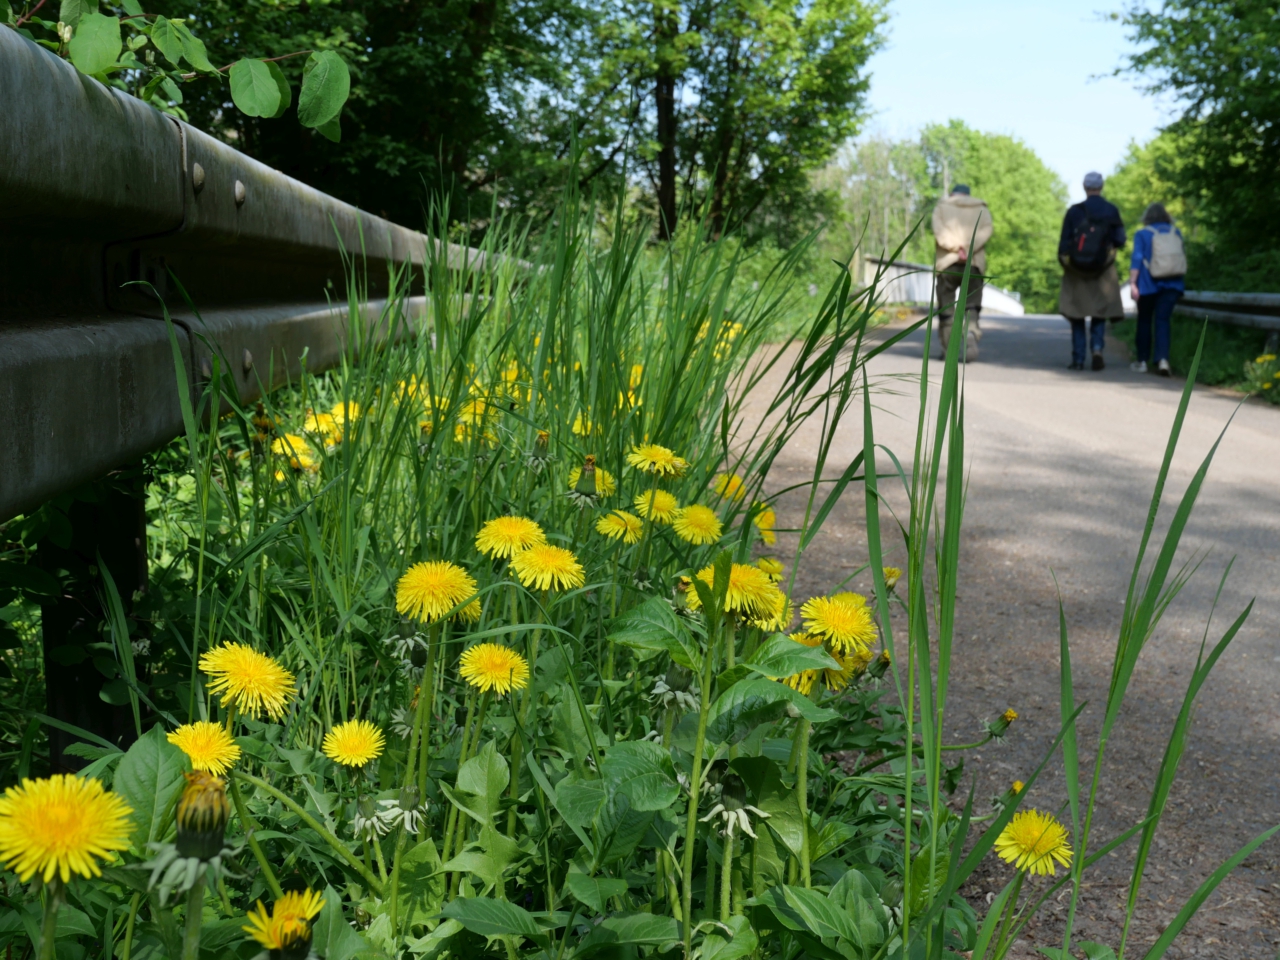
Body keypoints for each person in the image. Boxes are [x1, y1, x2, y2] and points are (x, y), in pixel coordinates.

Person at [1058, 171, 1126, 370]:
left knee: (1077, 313)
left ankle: (1078, 359)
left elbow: (1063, 245)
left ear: (1085, 187)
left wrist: (1068, 265)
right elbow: (1120, 240)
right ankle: (1097, 348)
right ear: (1101, 186)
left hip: (1077, 271)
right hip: (1103, 271)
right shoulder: (1111, 210)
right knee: (1099, 311)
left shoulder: (1074, 211)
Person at [932, 184, 993, 361]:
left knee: (946, 309)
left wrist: (957, 247)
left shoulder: (942, 208)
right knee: (971, 305)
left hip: (947, 263)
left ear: (952, 194)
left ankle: (948, 351)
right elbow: (987, 230)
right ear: (968, 195)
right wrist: (968, 247)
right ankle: (971, 332)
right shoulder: (981, 208)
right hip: (973, 263)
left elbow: (939, 232)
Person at [1128, 202, 1185, 376]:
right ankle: (1162, 360)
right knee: (1163, 321)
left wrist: (1132, 283)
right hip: (1173, 284)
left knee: (1144, 320)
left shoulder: (1143, 234)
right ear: (1166, 216)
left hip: (1147, 284)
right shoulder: (1176, 233)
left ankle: (1142, 361)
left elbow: (1137, 259)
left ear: (1147, 217)